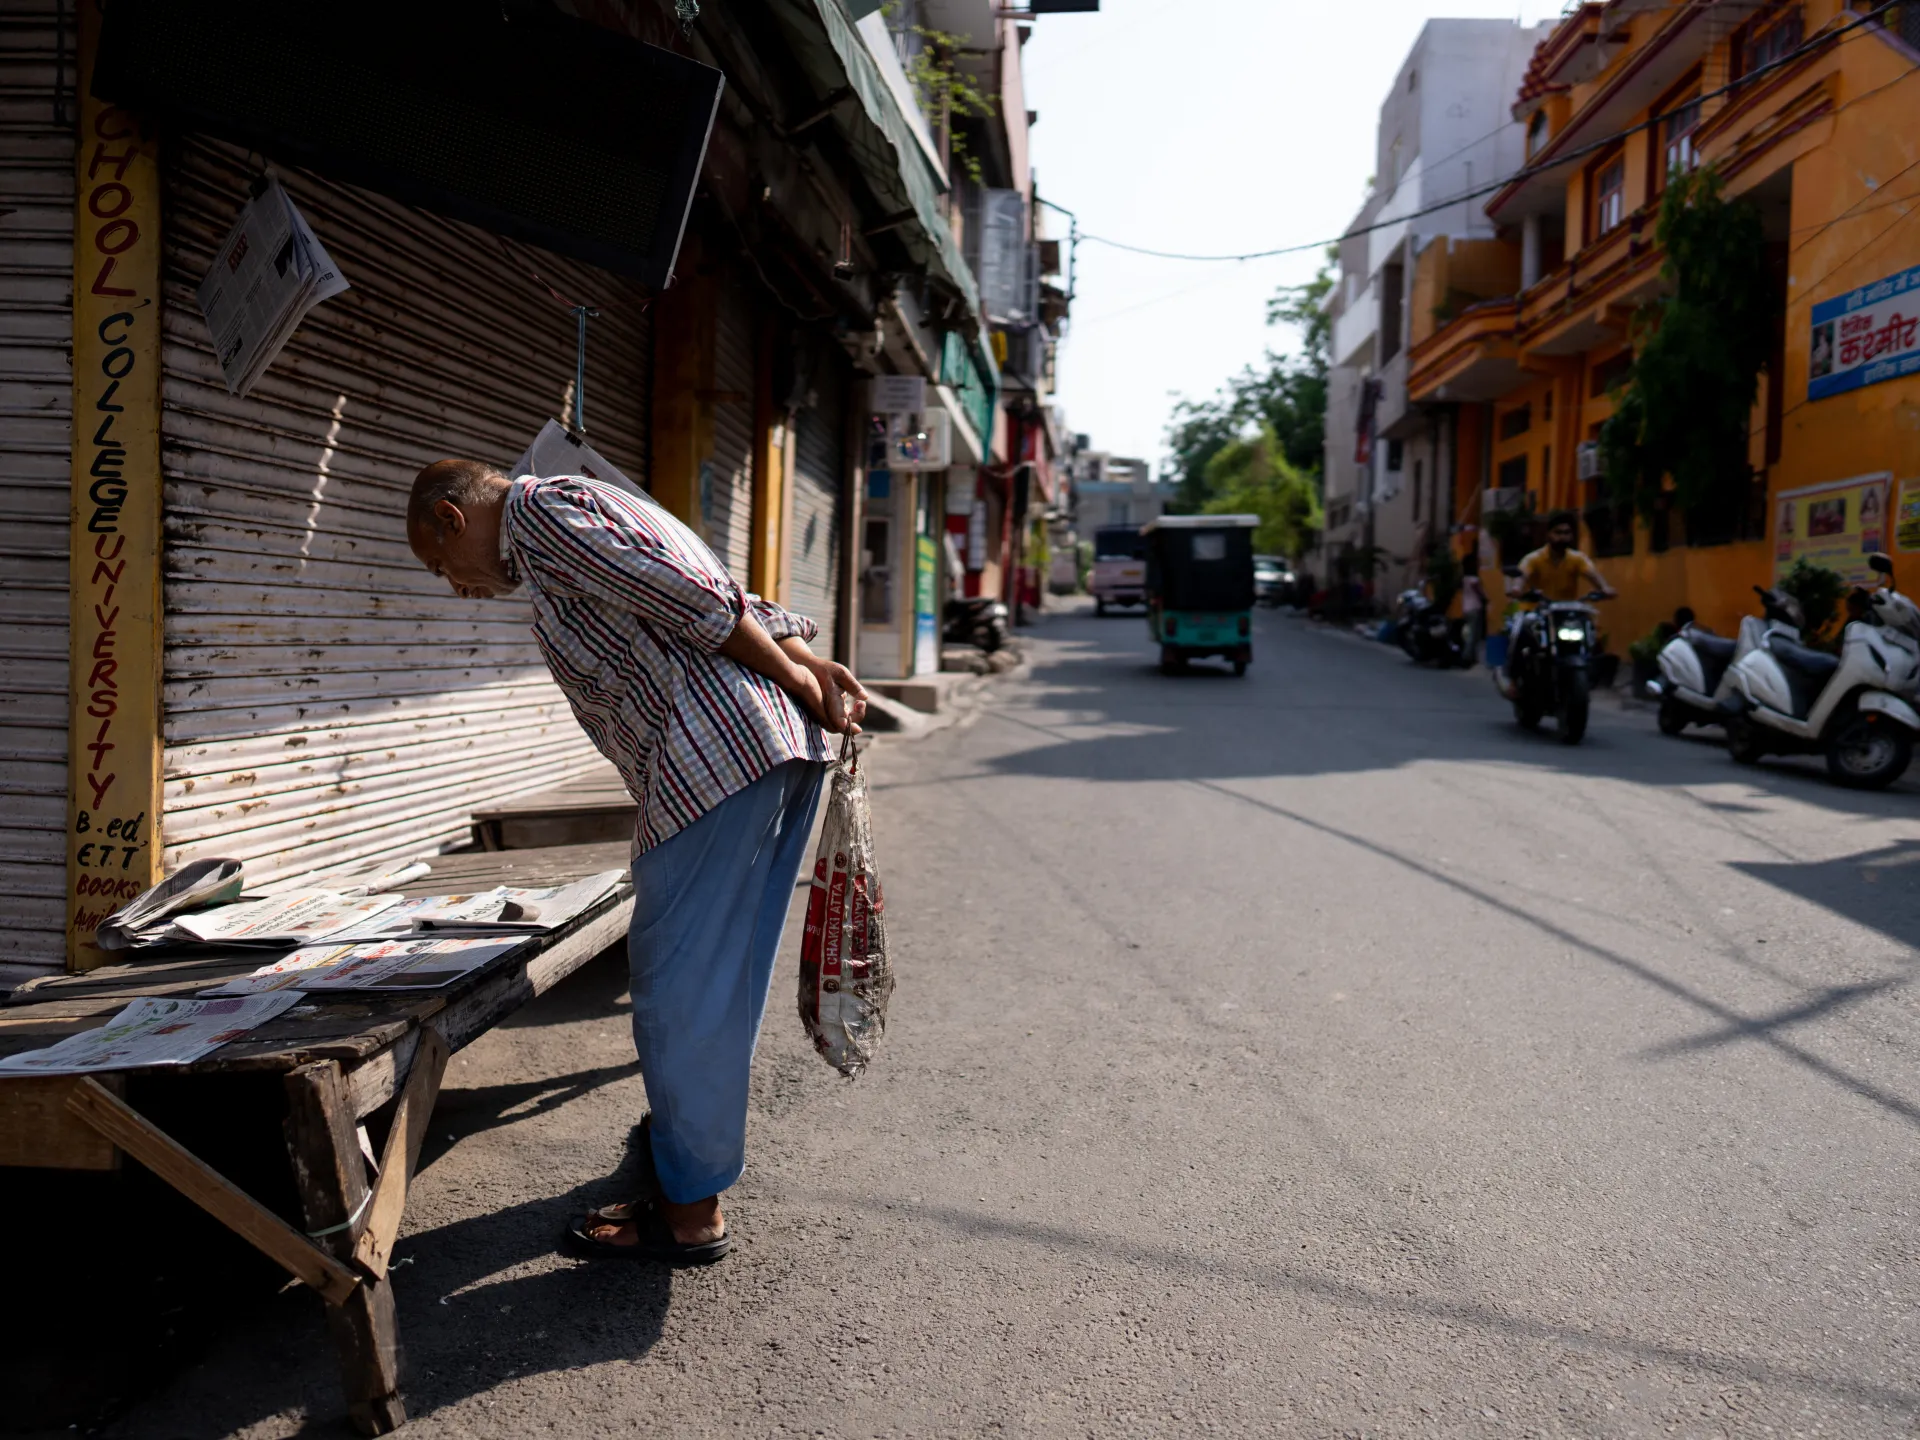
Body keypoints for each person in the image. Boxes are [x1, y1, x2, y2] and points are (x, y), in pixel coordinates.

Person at [406, 460, 866, 1266]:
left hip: (720, 760)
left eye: (443, 567)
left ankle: (688, 1215)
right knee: (713, 985)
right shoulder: (576, 508)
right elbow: (710, 586)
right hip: (757, 753)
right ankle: (684, 1172)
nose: (458, 588)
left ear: (452, 517)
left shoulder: (540, 517)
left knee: (678, 988)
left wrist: (796, 670)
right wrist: (804, 659)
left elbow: (686, 599)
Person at [1504, 509, 1616, 666]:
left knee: (1591, 630)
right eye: (1558, 532)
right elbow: (1522, 576)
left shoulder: (1577, 559)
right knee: (1519, 634)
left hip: (1566, 611)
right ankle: (1512, 676)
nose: (1563, 537)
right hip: (1537, 611)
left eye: (1567, 533)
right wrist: (1517, 589)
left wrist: (1605, 588)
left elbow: (1593, 574)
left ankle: (1591, 669)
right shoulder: (1534, 559)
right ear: (1548, 534)